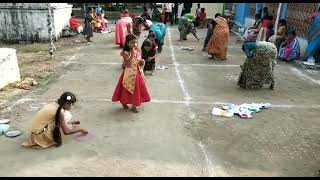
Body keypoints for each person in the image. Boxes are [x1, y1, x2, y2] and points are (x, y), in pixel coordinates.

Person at [22, 92, 88, 149]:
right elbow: (66, 132)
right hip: (40, 136)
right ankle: (53, 135)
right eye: (71, 104)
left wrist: (70, 123)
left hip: (35, 133)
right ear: (66, 103)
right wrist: (80, 129)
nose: (72, 106)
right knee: (67, 115)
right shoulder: (60, 112)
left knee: (64, 115)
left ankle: (66, 124)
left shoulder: (55, 103)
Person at [112, 34, 151, 113]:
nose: (135, 44)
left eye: (136, 42)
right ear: (127, 43)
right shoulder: (125, 53)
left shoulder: (137, 51)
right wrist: (132, 54)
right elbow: (127, 64)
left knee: (137, 89)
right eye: (132, 42)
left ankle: (134, 105)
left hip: (137, 73)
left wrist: (142, 62)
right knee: (126, 89)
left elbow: (139, 63)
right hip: (128, 74)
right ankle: (124, 102)